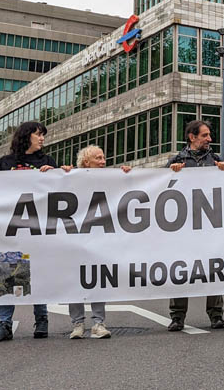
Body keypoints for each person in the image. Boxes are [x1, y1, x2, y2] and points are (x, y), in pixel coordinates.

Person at [0, 121, 73, 343]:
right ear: (26, 136)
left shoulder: (47, 161)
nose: (42, 138)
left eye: (43, 135)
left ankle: (41, 319)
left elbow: (58, 190)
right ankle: (4, 323)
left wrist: (60, 173)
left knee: (36, 272)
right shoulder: (6, 163)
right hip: (11, 227)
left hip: (38, 227)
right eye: (38, 134)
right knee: (8, 272)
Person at [166, 120, 224, 332]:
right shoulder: (177, 160)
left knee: (213, 268)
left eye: (209, 135)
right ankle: (177, 317)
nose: (209, 139)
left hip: (210, 225)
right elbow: (156, 185)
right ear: (192, 137)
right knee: (180, 270)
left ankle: (216, 315)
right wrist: (171, 173)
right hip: (183, 226)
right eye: (205, 135)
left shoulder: (216, 160)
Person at [67, 145, 131, 339]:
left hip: (99, 236)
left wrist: (126, 175)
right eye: (99, 158)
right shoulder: (72, 178)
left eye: (104, 157)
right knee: (75, 280)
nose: (103, 161)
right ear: (86, 162)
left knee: (98, 279)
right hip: (76, 237)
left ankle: (98, 323)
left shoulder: (110, 178)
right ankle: (77, 324)